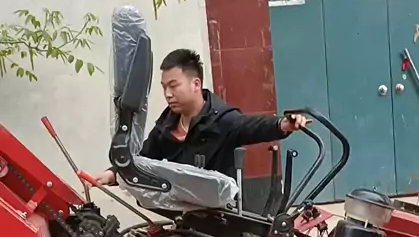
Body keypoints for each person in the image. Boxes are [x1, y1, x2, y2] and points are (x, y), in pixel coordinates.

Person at [95, 48, 309, 185]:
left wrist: (284, 124)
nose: (167, 94)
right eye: (164, 87)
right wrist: (113, 174)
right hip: (181, 214)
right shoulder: (166, 123)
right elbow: (144, 157)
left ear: (196, 84)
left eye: (173, 86)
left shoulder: (223, 120)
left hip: (219, 220)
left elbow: (253, 126)